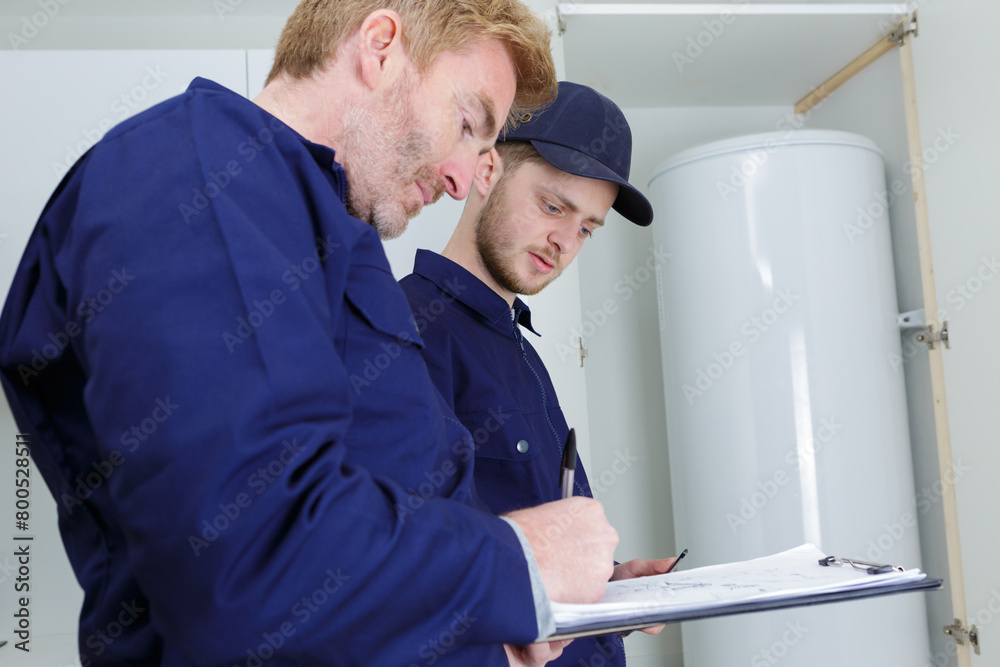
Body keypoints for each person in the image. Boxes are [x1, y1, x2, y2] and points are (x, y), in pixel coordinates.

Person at [0, 4, 621, 666]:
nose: (462, 179)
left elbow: (378, 534)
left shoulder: (329, 234)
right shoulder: (203, 170)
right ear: (380, 47)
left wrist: (501, 628)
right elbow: (249, 562)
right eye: (466, 124)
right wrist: (520, 563)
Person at [400, 82, 673, 666]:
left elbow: (533, 546)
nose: (565, 242)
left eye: (587, 228)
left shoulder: (520, 348)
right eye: (553, 206)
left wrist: (611, 586)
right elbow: (418, 575)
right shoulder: (405, 334)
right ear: (486, 169)